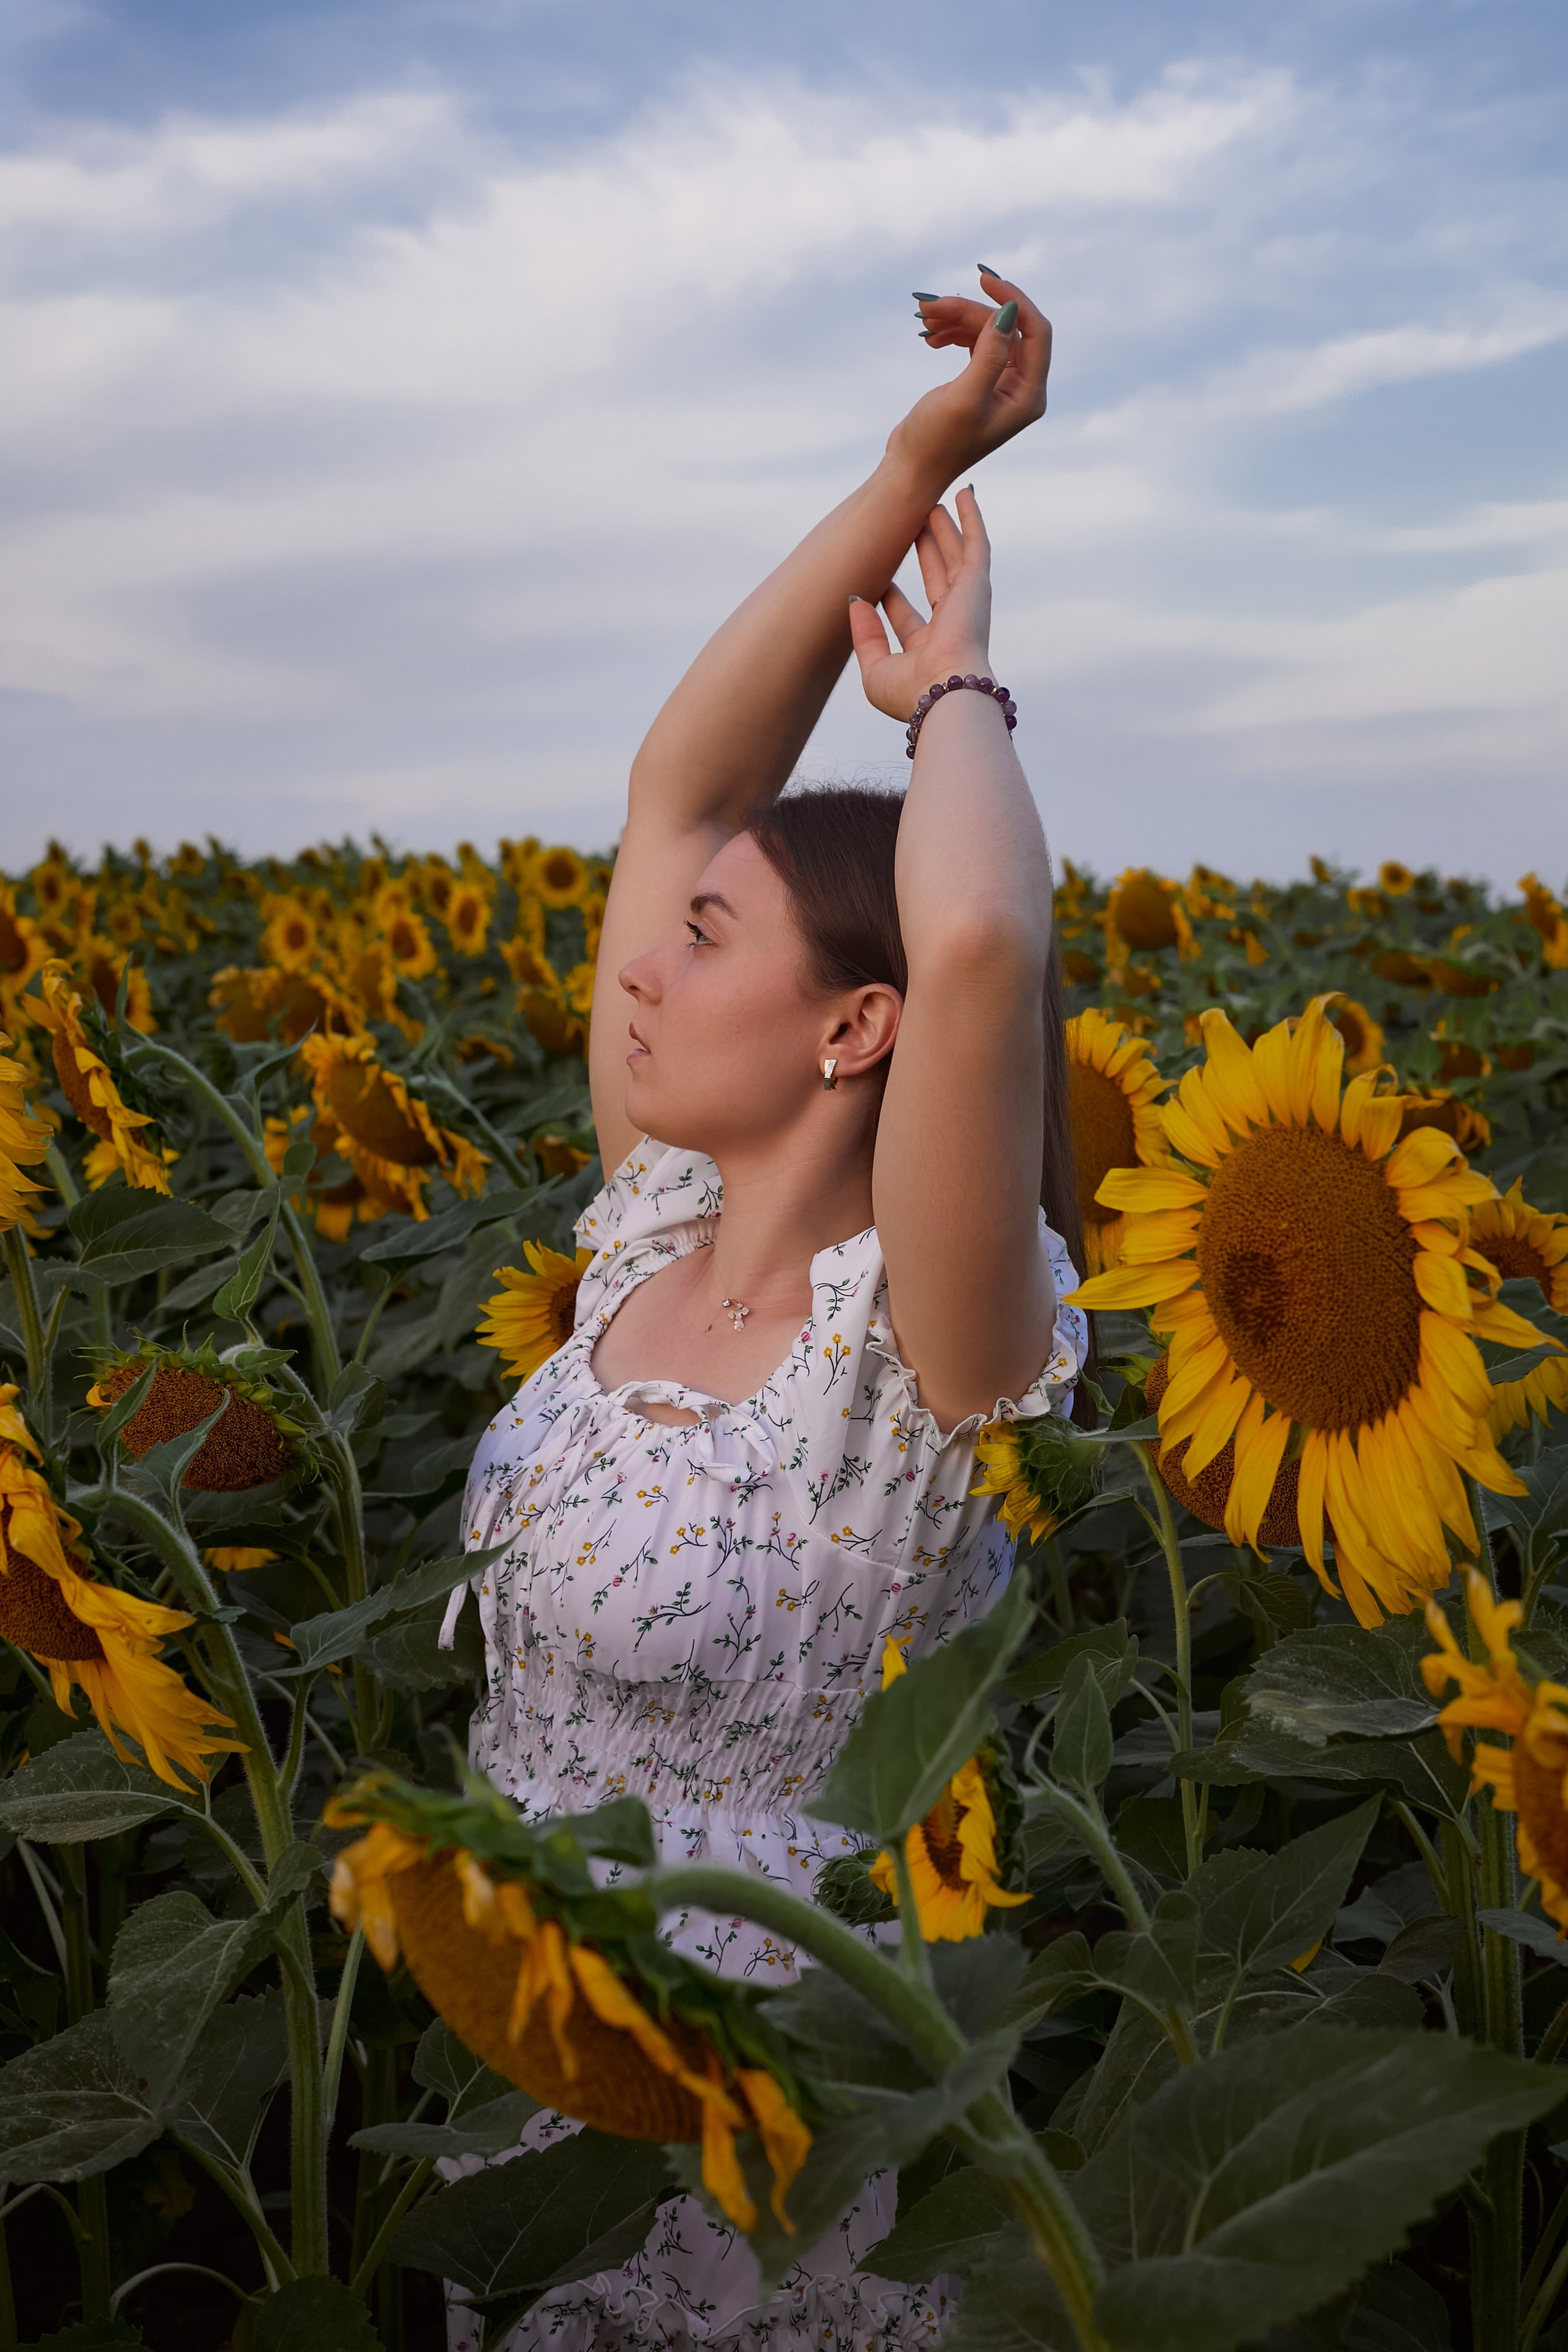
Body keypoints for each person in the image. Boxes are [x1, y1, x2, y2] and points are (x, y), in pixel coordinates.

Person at [447, 268, 1088, 2351]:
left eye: (707, 936)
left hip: (770, 2178)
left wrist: (956, 698)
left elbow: (983, 934)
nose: (640, 958)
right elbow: (671, 785)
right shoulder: (643, 1238)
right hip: (538, 2115)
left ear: (854, 1026)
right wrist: (912, 469)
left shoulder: (917, 1353)